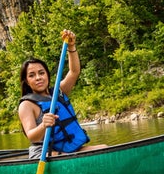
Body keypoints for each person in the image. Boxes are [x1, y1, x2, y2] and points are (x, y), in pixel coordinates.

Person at [18, 29, 108, 159]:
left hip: (67, 148)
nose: (38, 78)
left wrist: (71, 47)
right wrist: (43, 125)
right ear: (27, 81)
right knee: (81, 157)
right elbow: (31, 135)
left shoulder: (58, 92)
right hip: (43, 153)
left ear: (47, 75)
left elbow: (74, 71)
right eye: (32, 75)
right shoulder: (26, 105)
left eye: (41, 73)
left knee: (104, 148)